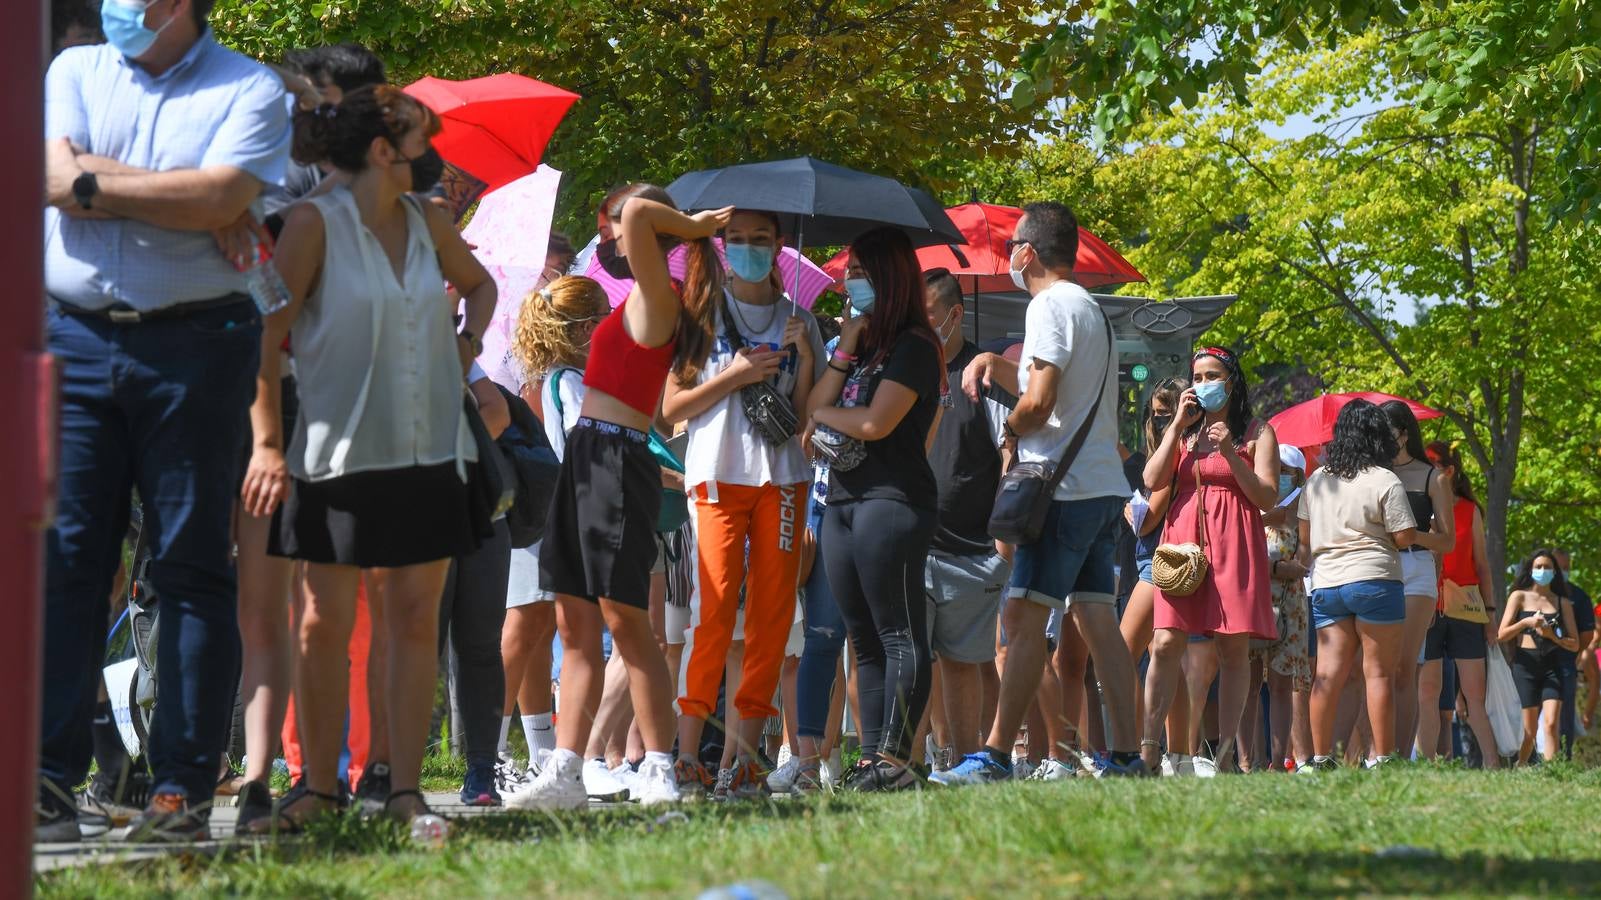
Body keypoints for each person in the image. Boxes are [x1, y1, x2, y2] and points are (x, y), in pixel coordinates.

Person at [40, 0, 291, 842]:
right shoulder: (73, 70)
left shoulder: (250, 88)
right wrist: (179, 195)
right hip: (71, 343)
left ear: (177, 5)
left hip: (199, 346)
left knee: (188, 567)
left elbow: (224, 197)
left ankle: (178, 787)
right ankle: (46, 778)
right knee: (66, 561)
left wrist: (93, 180)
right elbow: (53, 178)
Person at [241, 84, 495, 830]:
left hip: (429, 450)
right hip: (336, 456)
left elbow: (480, 287)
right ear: (385, 152)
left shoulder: (430, 220)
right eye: (425, 142)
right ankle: (318, 789)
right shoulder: (313, 224)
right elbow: (264, 336)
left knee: (416, 619)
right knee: (324, 620)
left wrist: (467, 342)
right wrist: (265, 444)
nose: (438, 158)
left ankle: (404, 790)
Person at [508, 184, 732, 809]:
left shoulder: (658, 295)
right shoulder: (639, 297)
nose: (606, 234)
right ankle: (566, 771)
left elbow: (634, 210)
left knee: (624, 620)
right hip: (584, 458)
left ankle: (659, 766)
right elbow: (632, 216)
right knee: (574, 625)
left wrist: (692, 222)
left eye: (612, 227)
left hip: (615, 462)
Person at [231, 39, 390, 835]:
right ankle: (285, 770)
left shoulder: (368, 197)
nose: (304, 120)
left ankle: (353, 769)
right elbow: (267, 313)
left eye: (314, 104)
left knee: (336, 608)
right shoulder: (265, 190)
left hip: (324, 413)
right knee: (272, 608)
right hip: (256, 409)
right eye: (298, 106)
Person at [936, 202, 1144, 784]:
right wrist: (989, 363)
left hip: (1061, 489)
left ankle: (997, 754)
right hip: (1100, 488)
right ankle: (1127, 754)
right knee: (1099, 621)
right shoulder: (1091, 310)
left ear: (1027, 252)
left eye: (1012, 247)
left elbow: (1040, 402)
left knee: (1024, 620)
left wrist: (1010, 430)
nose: (1009, 257)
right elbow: (1048, 386)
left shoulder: (1048, 305)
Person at [663, 209, 823, 799]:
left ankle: (747, 760)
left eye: (761, 239)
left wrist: (806, 359)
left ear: (780, 245)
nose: (750, 248)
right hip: (715, 476)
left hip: (782, 479)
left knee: (772, 622)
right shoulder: (699, 315)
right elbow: (672, 407)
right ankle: (687, 758)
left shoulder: (800, 319)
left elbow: (806, 420)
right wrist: (732, 375)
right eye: (738, 239)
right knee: (714, 613)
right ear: (723, 246)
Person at [803, 226, 945, 790]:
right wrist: (843, 349)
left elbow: (873, 422)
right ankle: (871, 758)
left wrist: (823, 419)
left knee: (900, 634)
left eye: (861, 272)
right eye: (848, 272)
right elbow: (815, 405)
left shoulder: (914, 345)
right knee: (863, 640)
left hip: (892, 501)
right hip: (842, 501)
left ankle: (898, 759)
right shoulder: (861, 349)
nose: (848, 281)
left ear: (888, 277)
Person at [1136, 346, 1280, 774]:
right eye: (1197, 377)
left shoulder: (1257, 431)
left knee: (1232, 648)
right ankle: (1148, 750)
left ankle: (1225, 755)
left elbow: (1267, 497)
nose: (1202, 385)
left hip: (1234, 539)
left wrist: (1233, 455)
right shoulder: (1185, 432)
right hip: (1184, 543)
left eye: (1212, 376)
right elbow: (1150, 479)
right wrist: (1178, 424)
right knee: (1163, 642)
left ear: (1231, 382)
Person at [498, 274, 607, 794]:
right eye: (604, 319)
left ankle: (539, 753)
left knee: (536, 631)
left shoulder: (545, 374)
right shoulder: (561, 380)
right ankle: (489, 752)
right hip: (541, 516)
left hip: (541, 515)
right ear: (587, 327)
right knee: (522, 630)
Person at [920, 269, 1011, 769]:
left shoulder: (985, 377)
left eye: (928, 313)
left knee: (961, 664)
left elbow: (1011, 459)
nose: (919, 321)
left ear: (955, 314)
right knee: (911, 659)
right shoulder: (907, 370)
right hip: (913, 542)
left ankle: (965, 763)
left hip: (973, 553)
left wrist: (1002, 547)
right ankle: (906, 766)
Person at [1298, 400, 1417, 770]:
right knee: (1378, 673)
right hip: (1375, 580)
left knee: (1327, 674)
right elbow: (1404, 537)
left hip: (1328, 584)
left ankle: (1320, 758)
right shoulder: (1385, 480)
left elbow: (1304, 538)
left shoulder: (1317, 480)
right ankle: (1383, 758)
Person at [442, 364, 513, 806]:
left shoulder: (457, 349)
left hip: (485, 515)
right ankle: (394, 773)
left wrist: (445, 449)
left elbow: (498, 412)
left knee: (482, 644)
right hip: (420, 516)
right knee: (416, 644)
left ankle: (482, 771)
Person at [1378, 400, 1457, 757]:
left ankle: (1398, 752)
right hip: (1377, 566)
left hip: (1416, 569)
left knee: (1404, 667)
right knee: (1377, 667)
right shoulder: (1373, 474)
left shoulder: (1432, 477)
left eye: (1386, 432)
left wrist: (1412, 534)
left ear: (1404, 433)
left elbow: (1447, 539)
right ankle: (1376, 751)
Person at [1416, 441, 1501, 767]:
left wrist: (1491, 615)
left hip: (1466, 608)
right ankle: (1428, 765)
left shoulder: (1468, 510)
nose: (1427, 467)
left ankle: (1493, 764)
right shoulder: (1419, 511)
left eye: (1433, 462)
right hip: (1429, 609)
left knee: (1474, 696)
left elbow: (1482, 566)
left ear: (1450, 471)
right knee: (1428, 692)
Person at [1497, 550, 1582, 765]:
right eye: (1538, 567)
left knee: (1552, 723)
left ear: (1555, 572)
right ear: (1530, 569)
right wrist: (1525, 623)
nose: (1542, 571)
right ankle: (1521, 765)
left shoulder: (1561, 602)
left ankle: (1551, 771)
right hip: (1525, 667)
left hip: (1551, 667)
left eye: (1547, 567)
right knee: (1529, 731)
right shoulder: (1519, 596)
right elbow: (1501, 634)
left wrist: (1551, 635)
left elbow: (1574, 644)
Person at [1258, 445, 1313, 770]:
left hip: (1291, 606)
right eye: (1273, 468)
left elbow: (1306, 553)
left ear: (1297, 476)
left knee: (1282, 682)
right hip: (1255, 600)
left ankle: (1278, 761)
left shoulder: (1304, 507)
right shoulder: (1254, 504)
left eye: (1284, 471)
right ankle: (1249, 760)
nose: (1277, 475)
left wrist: (1293, 566)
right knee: (1250, 683)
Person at [1551, 549, 1596, 758]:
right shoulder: (1531, 595)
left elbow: (1587, 634)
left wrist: (1575, 654)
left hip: (1566, 665)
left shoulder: (1579, 597)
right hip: (1535, 665)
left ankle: (1563, 759)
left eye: (1567, 568)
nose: (1564, 572)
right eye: (1560, 568)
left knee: (1565, 716)